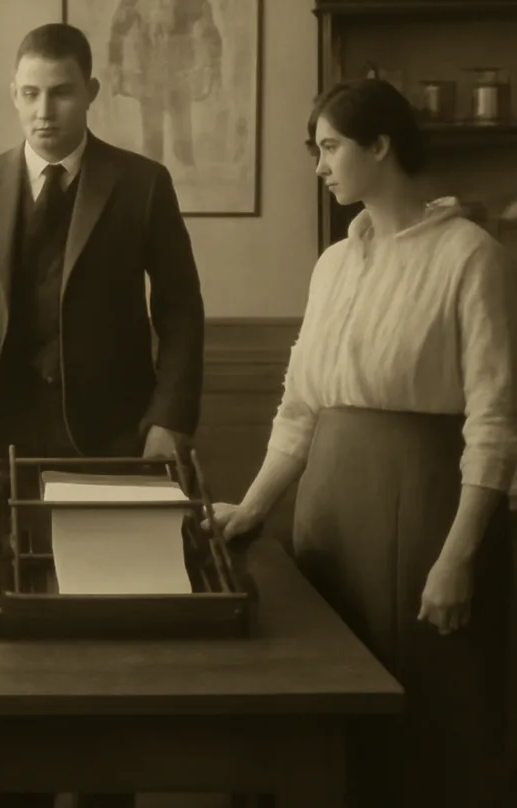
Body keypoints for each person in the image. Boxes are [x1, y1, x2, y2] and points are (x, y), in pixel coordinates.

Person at [0, 22, 206, 808]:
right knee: (6, 631)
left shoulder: (141, 182)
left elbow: (180, 310)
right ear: (14, 95)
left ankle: (108, 794)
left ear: (92, 92)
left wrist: (168, 420)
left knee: (108, 637)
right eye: (29, 94)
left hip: (110, 437)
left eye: (62, 92)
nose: (44, 111)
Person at [208, 78, 516, 808]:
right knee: (326, 715)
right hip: (327, 519)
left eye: (331, 147)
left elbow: (496, 422)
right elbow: (301, 408)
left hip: (423, 519)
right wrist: (253, 509)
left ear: (381, 146)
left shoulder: (469, 254)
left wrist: (456, 557)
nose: (319, 165)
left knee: (424, 719)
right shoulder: (334, 264)